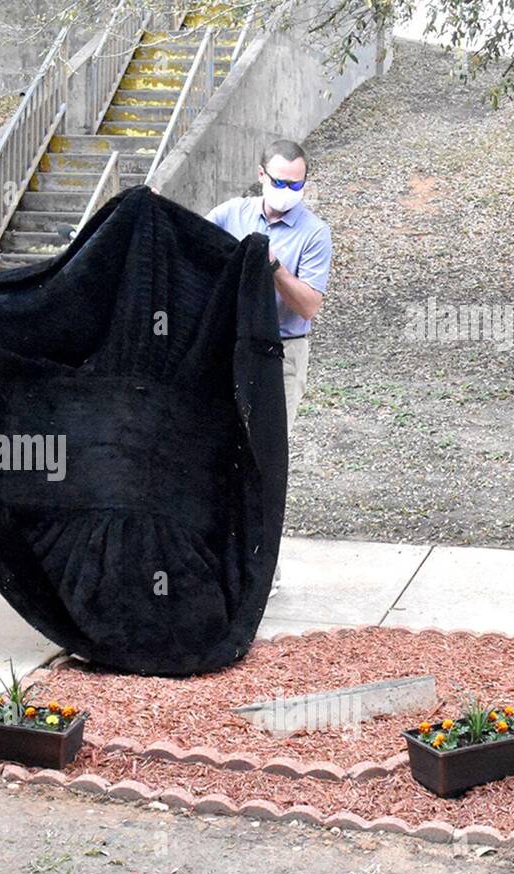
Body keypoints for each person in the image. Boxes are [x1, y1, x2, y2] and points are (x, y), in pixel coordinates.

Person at [205, 139, 333, 595]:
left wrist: (274, 265)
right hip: (231, 349)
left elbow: (310, 305)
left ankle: (263, 571)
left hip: (282, 356)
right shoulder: (232, 214)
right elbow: (194, 246)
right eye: (278, 180)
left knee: (264, 460)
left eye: (295, 183)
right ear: (261, 175)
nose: (286, 189)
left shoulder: (314, 233)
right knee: (221, 454)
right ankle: (219, 560)